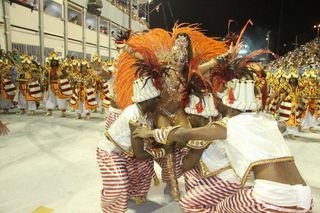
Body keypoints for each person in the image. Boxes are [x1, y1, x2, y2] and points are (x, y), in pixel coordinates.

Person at [134, 70, 312, 213]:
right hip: (305, 197)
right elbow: (281, 127)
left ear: (231, 107)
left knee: (199, 206)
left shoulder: (230, 125)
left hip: (270, 197)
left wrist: (149, 132)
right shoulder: (267, 120)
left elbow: (181, 135)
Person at [97, 75, 163, 213]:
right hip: (108, 152)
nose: (159, 101)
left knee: (140, 172)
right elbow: (139, 154)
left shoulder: (143, 112)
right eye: (157, 99)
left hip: (123, 152)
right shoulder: (134, 117)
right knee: (120, 185)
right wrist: (162, 152)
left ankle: (130, 195)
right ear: (148, 100)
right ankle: (109, 208)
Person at [44, 51, 72, 117]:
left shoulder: (61, 68)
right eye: (52, 61)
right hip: (51, 85)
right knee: (50, 98)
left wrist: (62, 75)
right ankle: (49, 111)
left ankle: (63, 111)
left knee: (61, 98)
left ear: (57, 62)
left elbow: (67, 74)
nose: (54, 62)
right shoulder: (48, 69)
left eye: (55, 61)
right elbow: (45, 77)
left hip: (59, 85)